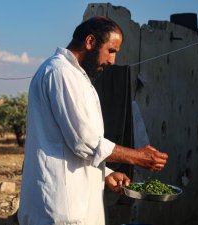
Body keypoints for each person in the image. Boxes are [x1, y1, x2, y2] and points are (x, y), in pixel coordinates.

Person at [17, 16, 168, 225]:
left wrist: (105, 173)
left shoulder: (75, 76)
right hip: (62, 209)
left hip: (72, 203)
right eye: (111, 50)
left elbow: (63, 142)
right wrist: (136, 157)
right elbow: (83, 141)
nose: (112, 61)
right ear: (90, 42)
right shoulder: (61, 73)